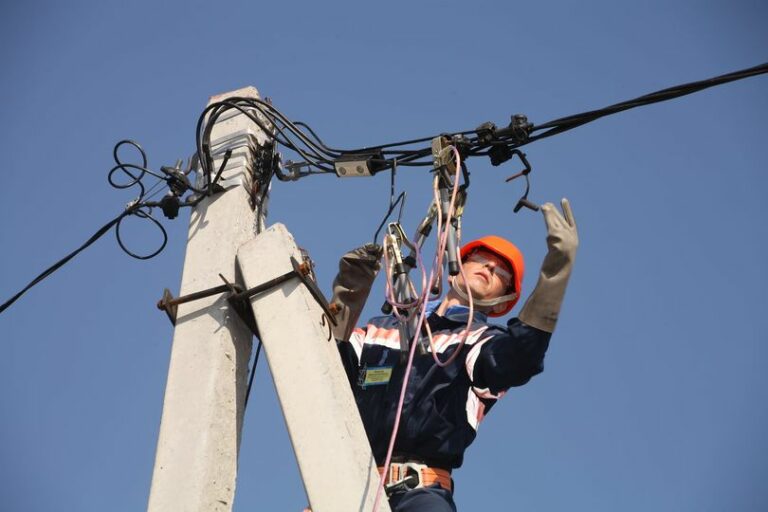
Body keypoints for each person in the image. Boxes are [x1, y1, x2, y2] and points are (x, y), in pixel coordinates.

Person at [329, 199, 578, 512]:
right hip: (343, 484)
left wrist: (558, 270)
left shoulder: (480, 342)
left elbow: (520, 357)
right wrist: (349, 291)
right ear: (453, 269)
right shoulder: (382, 330)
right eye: (482, 259)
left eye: (501, 273)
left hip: (419, 494)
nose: (490, 267)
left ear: (504, 300)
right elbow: (323, 362)